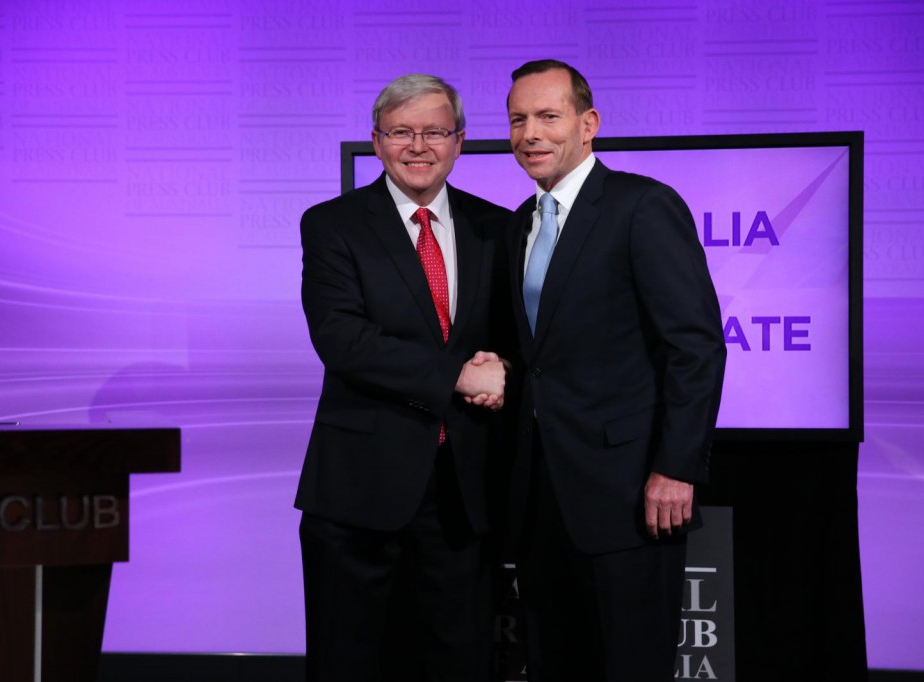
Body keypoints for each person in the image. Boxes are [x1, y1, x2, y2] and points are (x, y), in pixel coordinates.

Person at [502, 60, 727, 681]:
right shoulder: (520, 221)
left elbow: (697, 347)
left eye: (548, 117)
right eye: (518, 119)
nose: (530, 134)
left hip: (632, 494)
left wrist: (676, 466)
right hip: (541, 497)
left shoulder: (642, 206)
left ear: (588, 123)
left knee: (631, 665)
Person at [296, 74, 512, 682]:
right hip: (359, 491)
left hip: (463, 490)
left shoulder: (497, 227)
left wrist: (503, 370)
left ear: (459, 142)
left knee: (459, 659)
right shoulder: (333, 224)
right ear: (376, 141)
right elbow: (343, 341)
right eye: (401, 132)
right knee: (351, 662)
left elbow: (515, 341)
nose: (418, 146)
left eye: (434, 131)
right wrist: (456, 379)